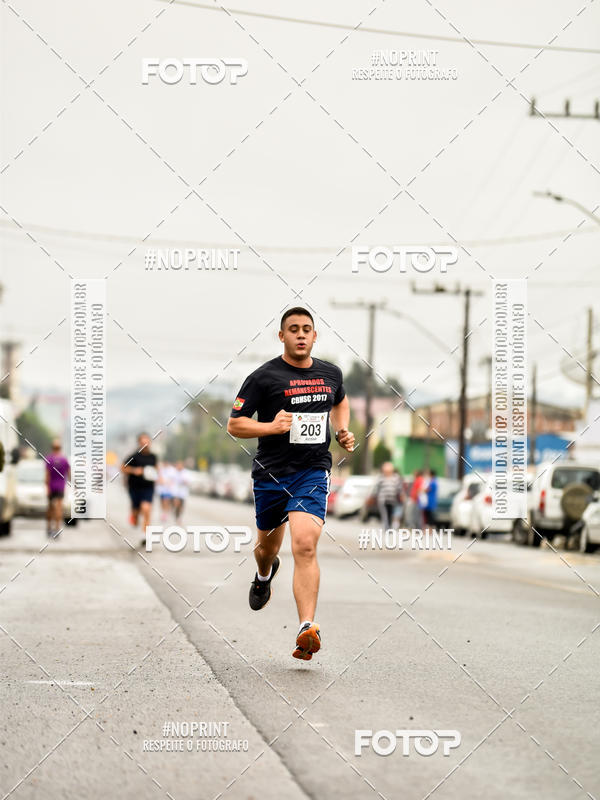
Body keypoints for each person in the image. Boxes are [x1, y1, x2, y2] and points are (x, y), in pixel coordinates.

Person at [227, 307, 355, 661]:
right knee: (267, 549)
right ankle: (264, 573)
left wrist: (342, 430)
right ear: (281, 336)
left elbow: (340, 401)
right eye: (293, 329)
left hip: (312, 471)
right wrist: (270, 427)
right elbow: (234, 424)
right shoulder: (263, 377)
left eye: (306, 329)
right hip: (270, 473)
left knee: (305, 545)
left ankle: (306, 627)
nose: (300, 334)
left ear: (315, 336)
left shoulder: (330, 374)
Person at [121, 432, 158, 543]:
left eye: (147, 442)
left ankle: (145, 534)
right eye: (143, 442)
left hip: (148, 487)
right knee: (136, 514)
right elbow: (122, 468)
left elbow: (156, 469)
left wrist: (158, 477)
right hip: (135, 488)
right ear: (139, 443)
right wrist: (134, 471)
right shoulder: (133, 456)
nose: (145, 444)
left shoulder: (153, 457)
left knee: (146, 509)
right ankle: (134, 516)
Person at [45, 438, 70, 537]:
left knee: (50, 507)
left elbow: (47, 476)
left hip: (51, 486)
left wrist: (47, 488)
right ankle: (57, 529)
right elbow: (69, 473)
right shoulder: (64, 460)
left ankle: (48, 528)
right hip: (60, 486)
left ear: (52, 448)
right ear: (60, 448)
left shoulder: (49, 459)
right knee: (59, 507)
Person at [374, 461, 403, 531]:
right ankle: (387, 527)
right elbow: (377, 488)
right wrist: (374, 496)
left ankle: (389, 526)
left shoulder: (396, 477)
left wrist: (401, 495)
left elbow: (399, 488)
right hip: (383, 499)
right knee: (385, 514)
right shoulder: (381, 478)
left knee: (390, 513)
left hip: (392, 499)